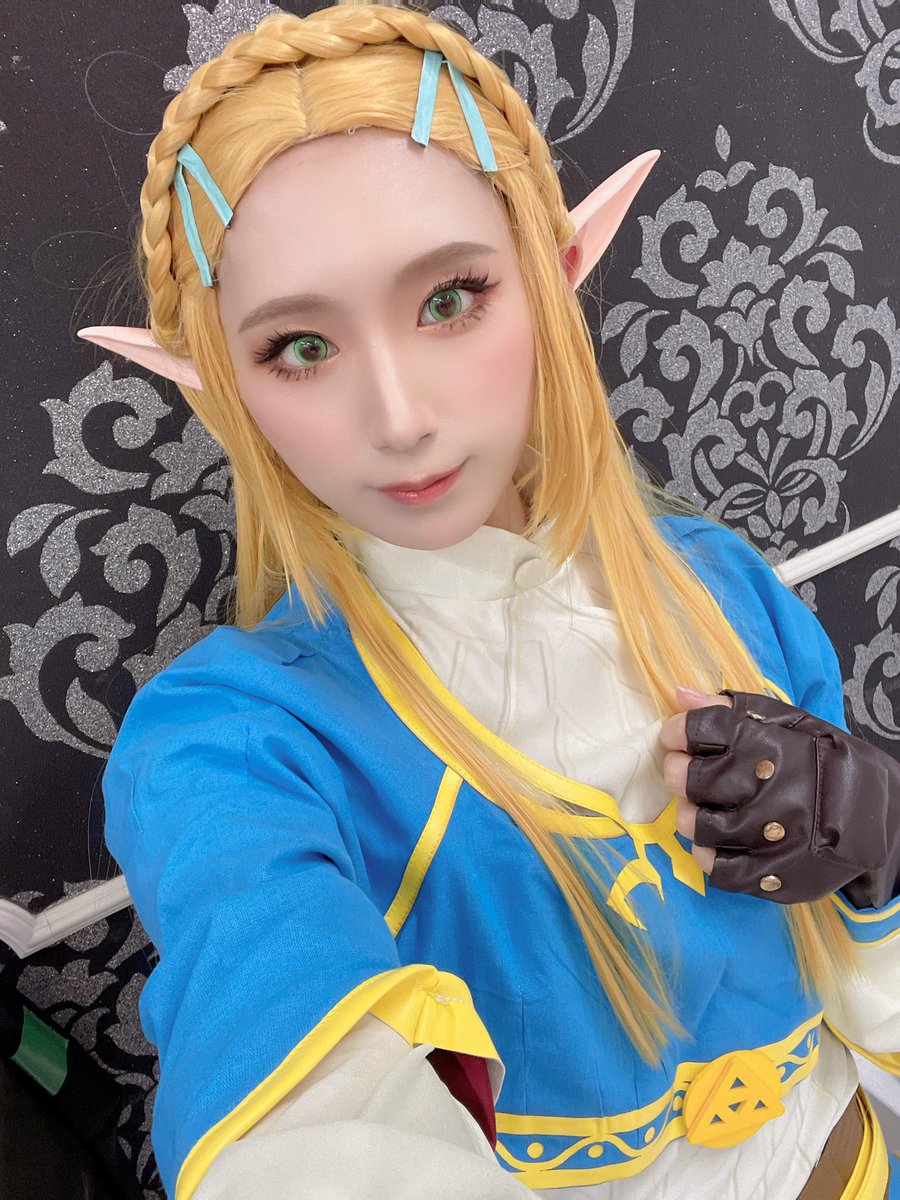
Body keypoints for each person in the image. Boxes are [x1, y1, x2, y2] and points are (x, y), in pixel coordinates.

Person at [83, 2, 900, 1197]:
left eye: (450, 298)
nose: (401, 416)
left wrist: (880, 864)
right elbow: (302, 1111)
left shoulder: (724, 584)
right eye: (299, 348)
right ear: (219, 389)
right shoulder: (231, 744)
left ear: (554, 275)